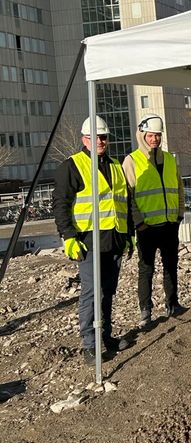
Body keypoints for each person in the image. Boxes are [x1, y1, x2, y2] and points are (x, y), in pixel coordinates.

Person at [52, 116, 132, 365]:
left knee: (108, 291)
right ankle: (90, 343)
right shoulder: (72, 166)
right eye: (95, 137)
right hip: (88, 239)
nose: (100, 141)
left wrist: (129, 235)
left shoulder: (115, 165)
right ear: (84, 139)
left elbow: (124, 203)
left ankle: (105, 335)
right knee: (91, 292)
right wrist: (68, 237)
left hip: (115, 237)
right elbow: (61, 205)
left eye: (104, 137)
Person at [123, 114, 186, 327]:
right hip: (146, 227)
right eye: (151, 135)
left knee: (171, 266)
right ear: (143, 135)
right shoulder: (132, 161)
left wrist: (179, 215)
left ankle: (173, 304)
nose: (154, 139)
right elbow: (128, 195)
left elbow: (178, 187)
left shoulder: (169, 159)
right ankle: (145, 311)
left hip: (169, 224)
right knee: (146, 269)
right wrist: (138, 222)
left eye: (158, 136)